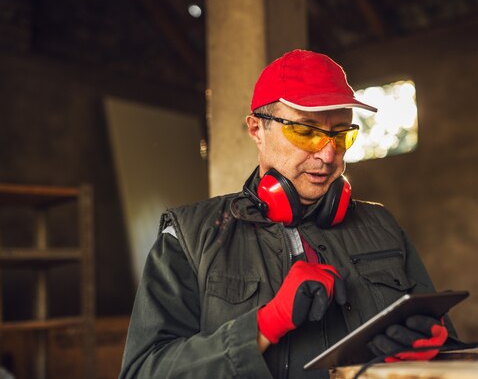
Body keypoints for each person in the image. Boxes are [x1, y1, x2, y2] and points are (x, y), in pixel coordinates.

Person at [119, 49, 455, 379]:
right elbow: (143, 371)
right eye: (306, 132)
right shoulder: (190, 234)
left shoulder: (382, 226)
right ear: (257, 130)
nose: (327, 155)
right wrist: (265, 324)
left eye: (340, 135)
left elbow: (447, 344)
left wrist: (438, 348)